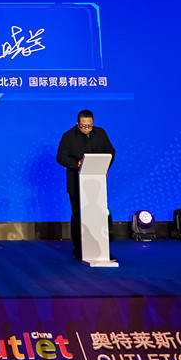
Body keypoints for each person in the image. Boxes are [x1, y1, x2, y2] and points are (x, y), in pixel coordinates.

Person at [56, 110, 115, 260]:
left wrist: (105, 167)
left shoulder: (101, 133)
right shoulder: (68, 136)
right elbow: (60, 157)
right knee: (78, 216)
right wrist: (77, 163)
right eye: (83, 126)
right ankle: (79, 250)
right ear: (77, 123)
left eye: (89, 126)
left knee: (102, 214)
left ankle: (103, 249)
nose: (87, 129)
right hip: (76, 184)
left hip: (97, 184)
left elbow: (111, 152)